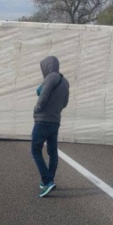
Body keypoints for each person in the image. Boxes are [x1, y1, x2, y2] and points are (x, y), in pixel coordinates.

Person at [32, 56, 69, 198]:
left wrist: (37, 109)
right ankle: (50, 179)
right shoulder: (65, 81)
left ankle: (47, 181)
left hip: (42, 121)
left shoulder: (50, 78)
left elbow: (43, 97)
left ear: (47, 66)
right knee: (52, 151)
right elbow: (65, 103)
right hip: (55, 121)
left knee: (35, 150)